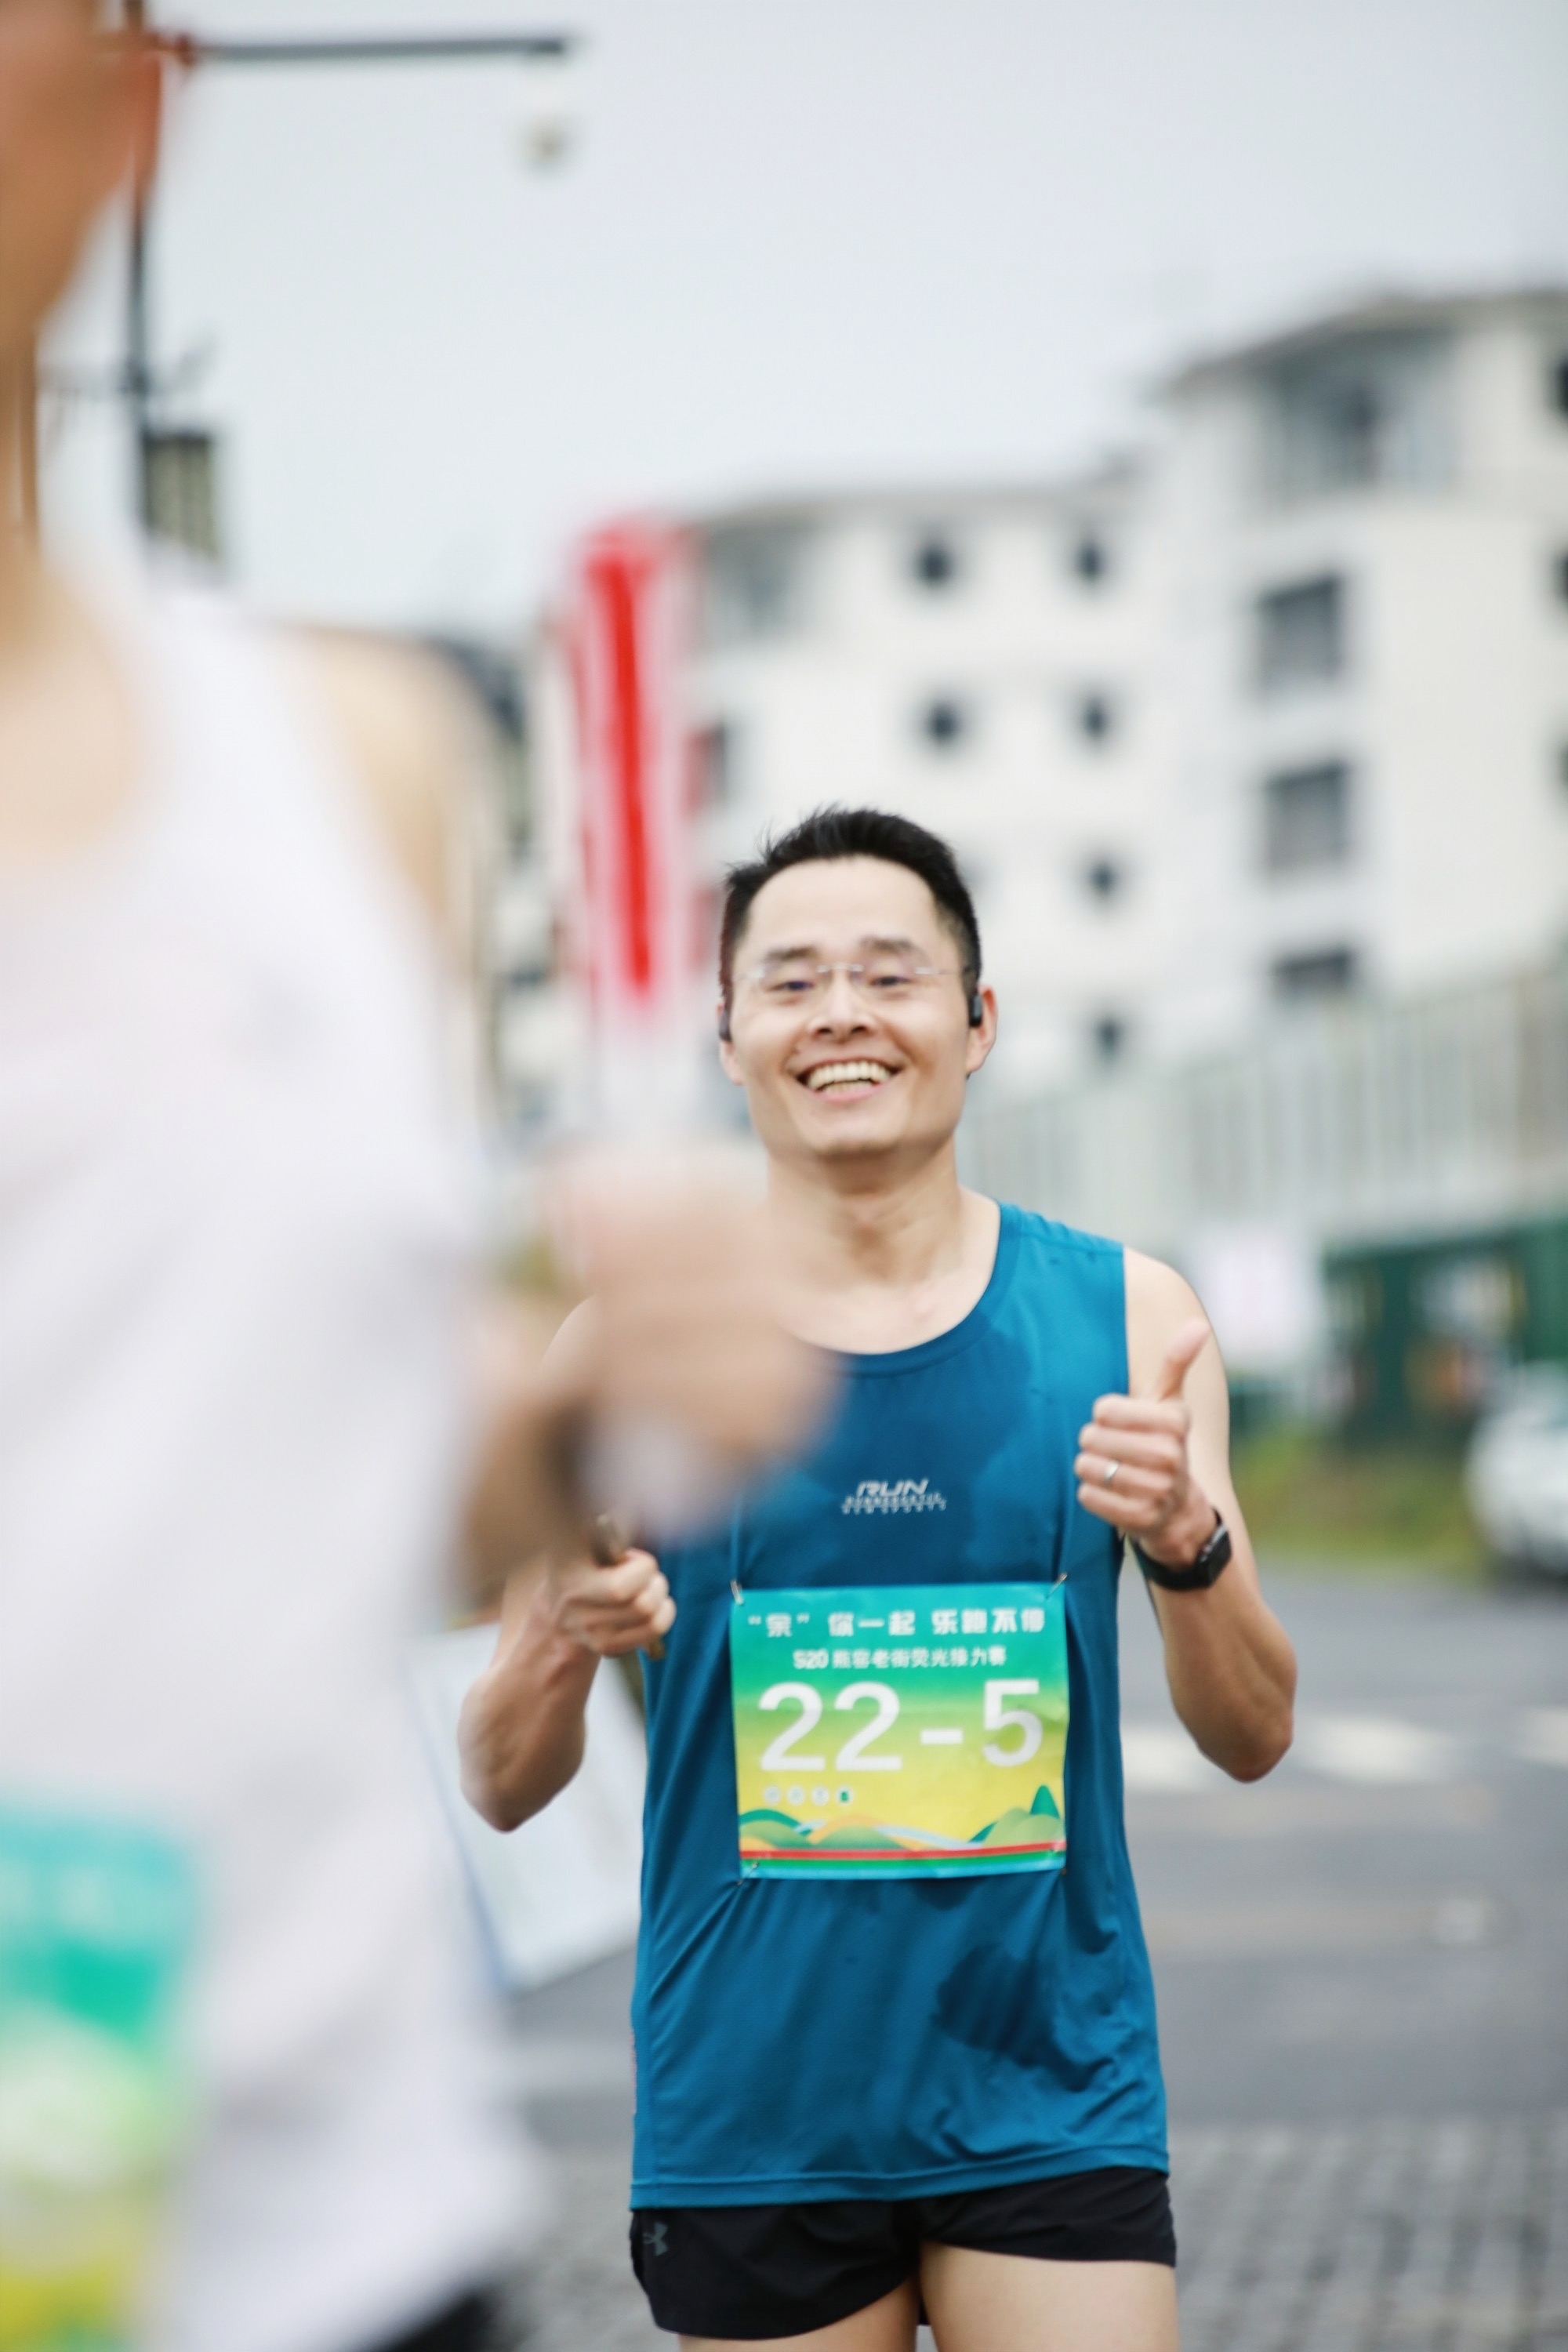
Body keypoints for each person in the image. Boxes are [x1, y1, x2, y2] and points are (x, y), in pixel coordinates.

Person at [0, 12, 820, 2352]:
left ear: (129, 104)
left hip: (321, 2223)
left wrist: (574, 1434)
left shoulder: (347, 759)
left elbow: (334, 1480)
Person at [462, 805, 1298, 2352]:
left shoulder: (1127, 1317)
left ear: (976, 1024)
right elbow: (503, 1783)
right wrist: (562, 1642)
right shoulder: (631, 1352)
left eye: (887, 975)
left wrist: (1188, 1544)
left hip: (1052, 2095)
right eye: (789, 982)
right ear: (729, 1038)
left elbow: (1252, 1734)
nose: (839, 1013)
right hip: (751, 2113)